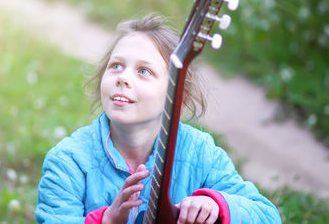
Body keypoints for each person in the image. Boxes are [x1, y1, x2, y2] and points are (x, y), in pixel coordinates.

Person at [35, 14, 282, 224]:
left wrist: (216, 204)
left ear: (176, 93)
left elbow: (267, 215)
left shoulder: (199, 153)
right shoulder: (68, 162)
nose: (123, 78)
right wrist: (107, 220)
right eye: (116, 66)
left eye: (144, 71)